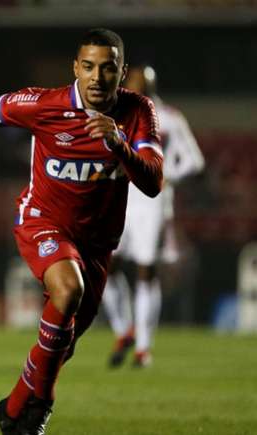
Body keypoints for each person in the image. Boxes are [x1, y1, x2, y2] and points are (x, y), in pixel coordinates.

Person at [0, 29, 163, 435]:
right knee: (68, 290)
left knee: (62, 345)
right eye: (88, 67)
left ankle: (13, 411)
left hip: (97, 244)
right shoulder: (44, 104)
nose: (97, 77)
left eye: (107, 68)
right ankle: (43, 404)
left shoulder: (138, 112)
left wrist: (119, 145)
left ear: (122, 73)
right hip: (42, 221)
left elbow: (154, 183)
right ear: (75, 69)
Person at [102, 65, 205, 368]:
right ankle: (125, 330)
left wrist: (168, 173)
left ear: (151, 84)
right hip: (122, 197)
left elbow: (194, 160)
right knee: (107, 266)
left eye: (139, 83)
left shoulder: (170, 118)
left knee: (146, 270)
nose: (134, 87)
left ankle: (144, 348)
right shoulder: (118, 115)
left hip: (153, 201)